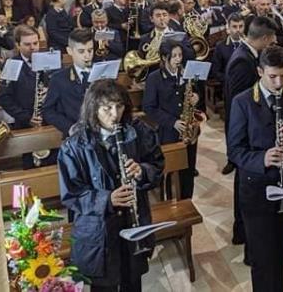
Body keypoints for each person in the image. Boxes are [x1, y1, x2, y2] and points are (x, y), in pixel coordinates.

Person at [57, 80, 164, 292]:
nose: (114, 114)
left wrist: (142, 171)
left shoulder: (138, 132)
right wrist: (107, 199)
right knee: (103, 285)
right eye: (107, 108)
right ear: (93, 107)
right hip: (98, 233)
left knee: (132, 282)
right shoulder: (74, 145)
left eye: (119, 106)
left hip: (133, 224)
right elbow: (71, 194)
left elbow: (157, 165)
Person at [227, 45, 283, 291]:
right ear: (259, 71)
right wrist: (262, 159)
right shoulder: (242, 102)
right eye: (272, 76)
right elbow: (234, 150)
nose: (278, 83)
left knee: (280, 253)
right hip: (257, 191)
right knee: (263, 259)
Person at [223, 16, 278, 251]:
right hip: (246, 135)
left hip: (252, 134)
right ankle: (242, 231)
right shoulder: (241, 61)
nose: (273, 44)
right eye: (272, 40)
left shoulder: (250, 56)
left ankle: (244, 231)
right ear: (264, 39)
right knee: (243, 188)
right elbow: (239, 100)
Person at [143, 41, 206, 199]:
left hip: (188, 128)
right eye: (175, 56)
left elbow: (197, 92)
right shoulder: (154, 78)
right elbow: (149, 108)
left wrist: (197, 97)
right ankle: (170, 200)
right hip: (169, 131)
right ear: (164, 58)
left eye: (180, 55)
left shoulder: (186, 73)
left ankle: (187, 198)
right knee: (172, 170)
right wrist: (172, 122)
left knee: (188, 167)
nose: (179, 59)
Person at [0, 25, 43, 168]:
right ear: (17, 45)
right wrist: (26, 117)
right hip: (25, 122)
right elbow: (3, 98)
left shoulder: (48, 59)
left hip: (48, 119)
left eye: (35, 43)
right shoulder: (12, 64)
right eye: (27, 44)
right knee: (31, 166)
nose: (33, 47)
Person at [43, 28, 94, 138]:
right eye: (81, 51)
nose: (87, 55)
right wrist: (69, 127)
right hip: (75, 137)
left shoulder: (101, 73)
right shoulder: (59, 78)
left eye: (90, 50)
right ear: (70, 51)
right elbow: (48, 110)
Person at [210, 12, 244, 84]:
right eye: (234, 27)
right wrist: (230, 79)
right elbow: (215, 72)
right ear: (228, 28)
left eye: (241, 26)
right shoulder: (220, 46)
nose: (238, 30)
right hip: (229, 84)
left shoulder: (250, 45)